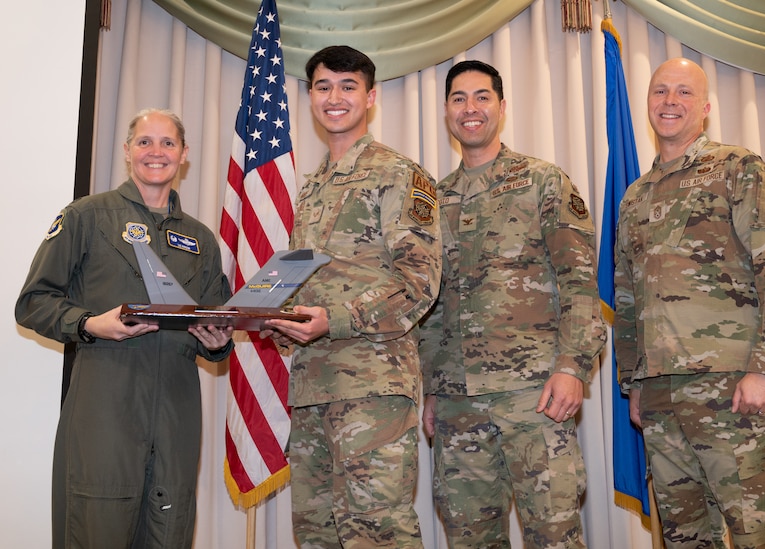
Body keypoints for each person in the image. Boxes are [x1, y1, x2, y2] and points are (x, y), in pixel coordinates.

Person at [614, 58, 765, 548]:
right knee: (684, 540)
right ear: (648, 103)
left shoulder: (737, 168)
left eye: (683, 93)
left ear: (704, 107)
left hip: (732, 387)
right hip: (661, 397)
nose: (670, 102)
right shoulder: (634, 197)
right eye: (661, 91)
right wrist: (634, 383)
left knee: (758, 536)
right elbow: (627, 299)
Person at [15, 108, 234, 548]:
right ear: (127, 150)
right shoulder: (86, 217)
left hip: (176, 411)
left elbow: (217, 318)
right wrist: (91, 323)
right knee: (96, 528)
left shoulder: (201, 239)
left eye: (168, 143)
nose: (156, 152)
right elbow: (32, 303)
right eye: (145, 141)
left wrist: (217, 341)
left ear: (185, 154)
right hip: (105, 407)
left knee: (168, 530)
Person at [418, 60, 606, 548]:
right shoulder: (434, 201)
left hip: (535, 395)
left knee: (554, 535)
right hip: (458, 402)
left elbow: (580, 281)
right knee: (470, 538)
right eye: (459, 98)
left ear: (501, 107)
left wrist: (573, 366)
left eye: (482, 97)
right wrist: (433, 387)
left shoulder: (543, 181)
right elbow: (431, 306)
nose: (470, 108)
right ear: (446, 111)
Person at [261, 45, 441, 548]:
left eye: (347, 86)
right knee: (317, 536)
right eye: (323, 86)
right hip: (314, 386)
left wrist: (333, 319)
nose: (334, 97)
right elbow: (303, 282)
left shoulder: (398, 173)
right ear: (311, 96)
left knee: (377, 533)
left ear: (371, 97)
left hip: (373, 386)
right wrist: (272, 318)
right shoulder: (313, 187)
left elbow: (419, 283)